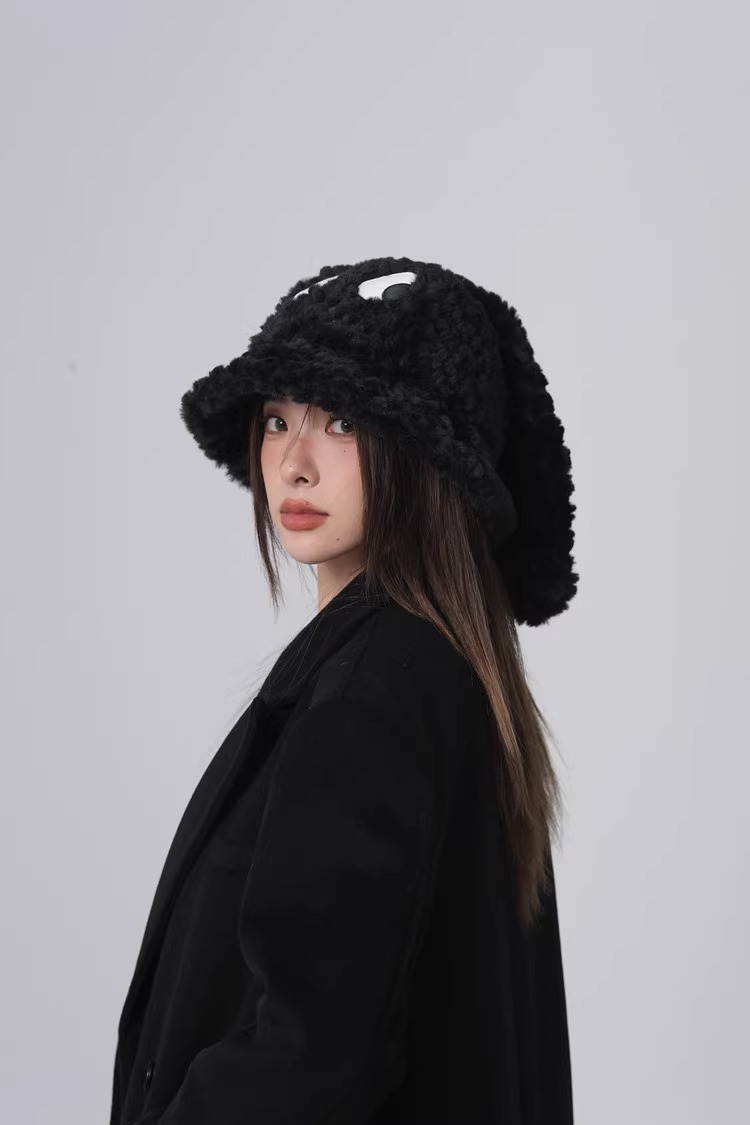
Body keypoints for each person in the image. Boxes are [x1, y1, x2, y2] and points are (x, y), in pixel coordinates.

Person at [110, 254, 579, 1125]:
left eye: (341, 420)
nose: (291, 463)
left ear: (427, 452)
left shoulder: (371, 698)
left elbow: (309, 1058)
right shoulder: (445, 673)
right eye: (277, 417)